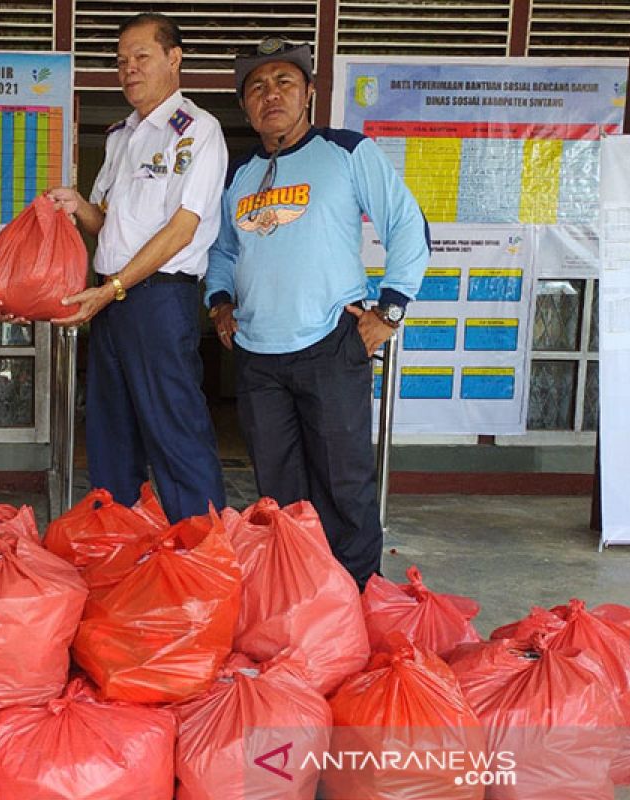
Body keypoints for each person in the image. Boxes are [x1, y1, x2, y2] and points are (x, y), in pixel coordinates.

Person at [205, 38, 430, 588]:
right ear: (245, 106)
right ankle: (301, 603)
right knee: (280, 495)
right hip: (259, 357)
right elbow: (223, 250)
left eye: (283, 82)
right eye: (256, 87)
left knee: (343, 487)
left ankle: (358, 605)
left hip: (332, 344)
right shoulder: (236, 177)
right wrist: (219, 302)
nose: (270, 94)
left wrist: (391, 310)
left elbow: (407, 225)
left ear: (308, 92)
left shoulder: (347, 152)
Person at [47, 12, 228, 523]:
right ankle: (118, 551)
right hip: (111, 301)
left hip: (157, 300)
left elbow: (182, 229)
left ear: (174, 59)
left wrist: (115, 288)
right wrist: (76, 205)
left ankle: (203, 557)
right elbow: (107, 224)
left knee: (174, 432)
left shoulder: (196, 131)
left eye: (141, 57)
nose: (128, 69)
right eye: (121, 61)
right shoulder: (120, 136)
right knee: (111, 434)